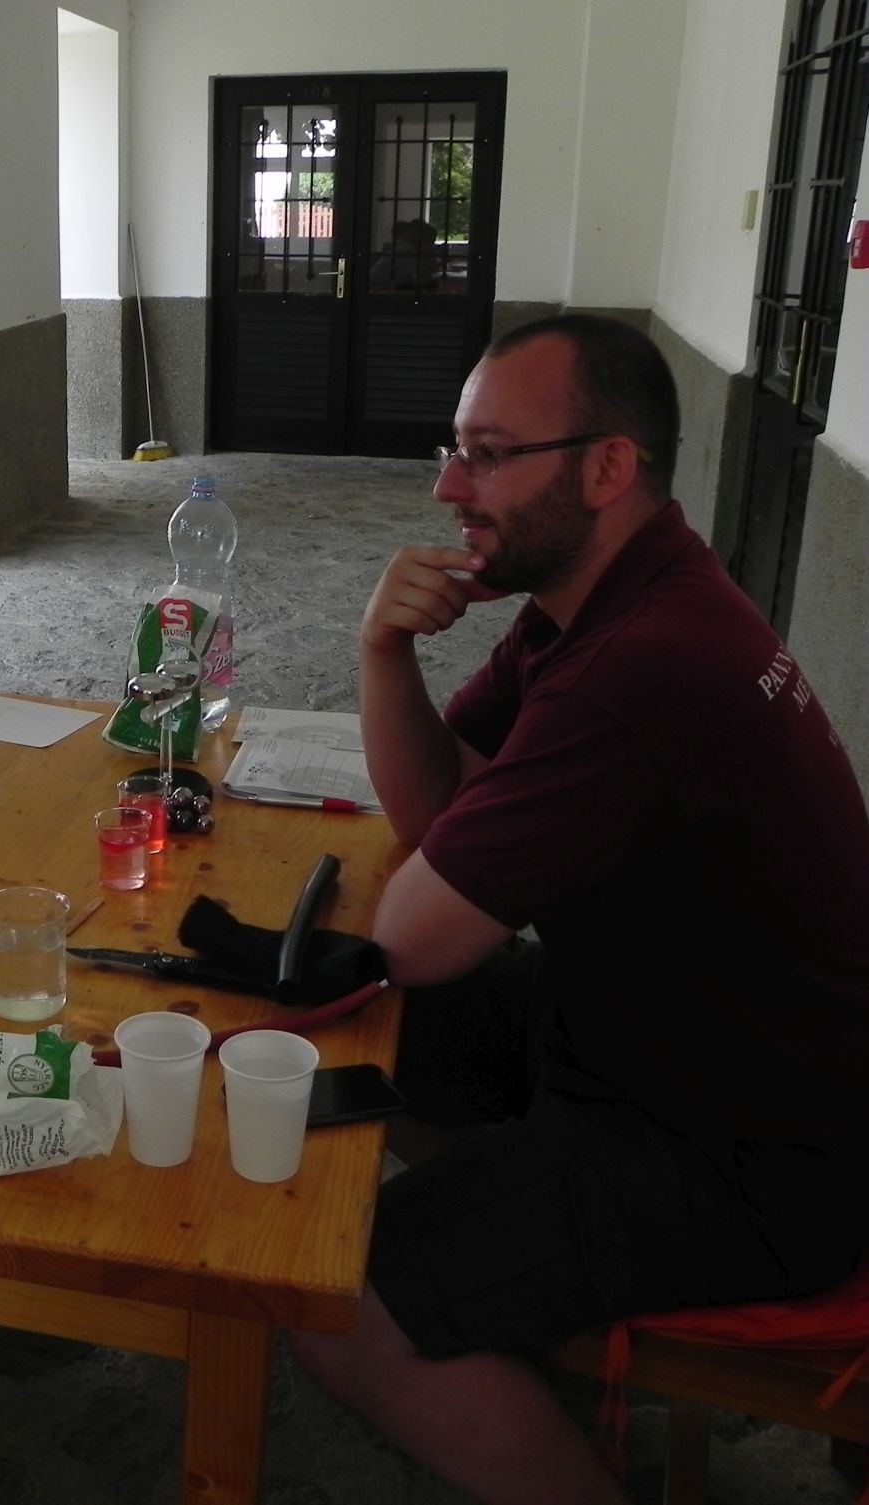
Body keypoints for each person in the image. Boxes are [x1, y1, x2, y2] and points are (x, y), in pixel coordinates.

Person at [289, 314, 869, 1504]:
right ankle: (508, 1272)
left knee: (337, 1301)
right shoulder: (607, 596)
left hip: (750, 1153)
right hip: (662, 1042)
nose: (448, 487)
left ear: (606, 467)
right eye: (452, 450)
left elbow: (413, 936)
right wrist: (381, 649)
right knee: (329, 1032)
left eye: (487, 454)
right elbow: (437, 800)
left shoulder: (639, 665)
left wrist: (436, 878)